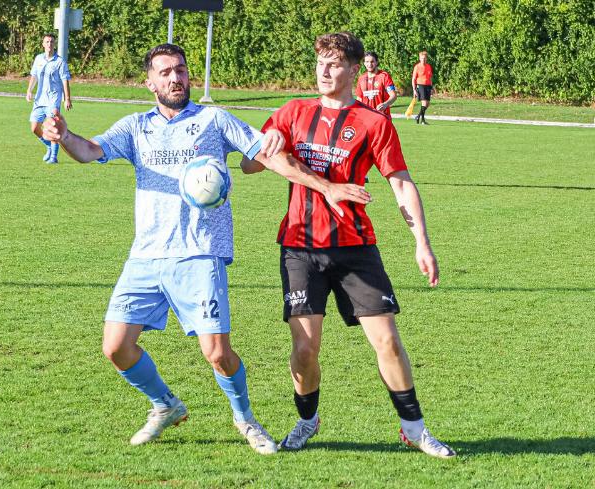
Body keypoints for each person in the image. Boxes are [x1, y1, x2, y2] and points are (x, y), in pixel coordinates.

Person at [41, 43, 370, 454]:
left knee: (217, 353)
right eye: (165, 72)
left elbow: (269, 156)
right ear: (150, 83)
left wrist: (326, 186)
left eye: (180, 70)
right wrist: (64, 134)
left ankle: (245, 419)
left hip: (200, 253)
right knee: (116, 347)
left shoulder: (214, 120)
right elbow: (89, 151)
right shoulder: (135, 127)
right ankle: (164, 405)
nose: (175, 78)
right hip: (145, 255)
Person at [240, 32, 456, 458]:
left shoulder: (374, 123)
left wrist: (422, 243)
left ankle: (414, 428)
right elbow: (250, 164)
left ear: (355, 69)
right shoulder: (292, 112)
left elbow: (400, 183)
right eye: (320, 60)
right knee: (304, 348)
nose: (324, 70)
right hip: (299, 245)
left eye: (334, 63)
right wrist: (269, 145)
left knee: (388, 341)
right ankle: (307, 421)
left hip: (355, 248)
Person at [26, 33, 72, 163]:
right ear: (43, 44)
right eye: (47, 42)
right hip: (40, 100)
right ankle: (48, 146)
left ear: (54, 44)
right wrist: (29, 90)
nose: (49, 44)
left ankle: (53, 157)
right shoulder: (39, 59)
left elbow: (65, 80)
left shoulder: (60, 62)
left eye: (51, 42)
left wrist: (67, 98)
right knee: (34, 128)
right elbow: (34, 76)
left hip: (53, 99)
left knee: (52, 127)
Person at [355, 51, 397, 117]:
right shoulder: (361, 78)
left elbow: (393, 96)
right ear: (364, 63)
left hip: (383, 117)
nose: (369, 64)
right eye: (367, 62)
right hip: (366, 118)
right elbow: (359, 99)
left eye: (372, 61)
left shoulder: (384, 76)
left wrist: (385, 104)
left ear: (377, 62)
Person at [411, 50, 433, 125]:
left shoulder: (429, 66)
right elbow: (413, 79)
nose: (423, 59)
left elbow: (430, 78)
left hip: (428, 86)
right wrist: (414, 89)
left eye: (424, 58)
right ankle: (422, 120)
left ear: (426, 59)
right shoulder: (417, 67)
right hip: (420, 85)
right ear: (419, 58)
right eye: (422, 58)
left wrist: (431, 87)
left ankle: (418, 116)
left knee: (427, 104)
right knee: (424, 103)